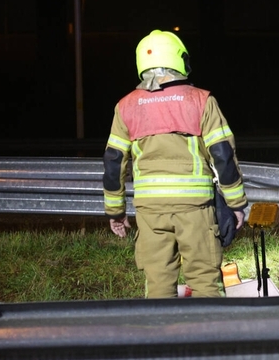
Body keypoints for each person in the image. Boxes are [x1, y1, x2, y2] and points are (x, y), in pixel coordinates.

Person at [103, 29, 248, 298]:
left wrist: (115, 212)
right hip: (195, 208)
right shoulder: (201, 101)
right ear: (180, 60)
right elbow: (223, 156)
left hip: (150, 210)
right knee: (206, 283)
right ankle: (212, 338)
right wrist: (236, 204)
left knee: (158, 285)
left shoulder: (125, 106)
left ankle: (163, 338)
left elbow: (114, 162)